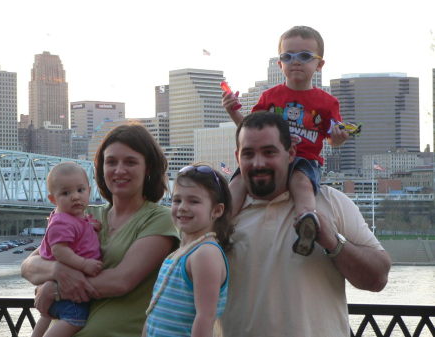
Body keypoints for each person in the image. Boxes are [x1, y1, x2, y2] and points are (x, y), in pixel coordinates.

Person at [220, 112, 391, 337]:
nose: (258, 163)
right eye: (248, 154)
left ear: (291, 153)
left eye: (269, 152)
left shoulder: (331, 202)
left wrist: (333, 242)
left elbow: (378, 278)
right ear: (237, 157)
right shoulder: (218, 216)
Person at [21, 123, 180, 337]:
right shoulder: (83, 215)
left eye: (130, 162)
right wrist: (57, 271)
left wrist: (56, 290)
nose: (119, 170)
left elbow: (120, 281)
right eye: (111, 162)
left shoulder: (160, 219)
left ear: (148, 168)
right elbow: (29, 265)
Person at [222, 26, 349, 256]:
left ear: (319, 64)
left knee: (301, 182)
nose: (296, 62)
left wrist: (338, 137)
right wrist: (233, 113)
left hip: (305, 160)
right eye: (287, 56)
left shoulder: (327, 103)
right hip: (271, 160)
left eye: (304, 56)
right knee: (238, 181)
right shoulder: (270, 97)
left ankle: (306, 221)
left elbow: (333, 139)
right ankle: (221, 225)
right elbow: (250, 131)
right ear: (280, 64)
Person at [143, 164, 234, 337]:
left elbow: (205, 317)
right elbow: (155, 311)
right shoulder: (180, 252)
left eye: (194, 201)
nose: (183, 207)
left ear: (217, 210)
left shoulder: (205, 253)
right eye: (177, 200)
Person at [31, 162, 102, 337]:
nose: (75, 197)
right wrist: (84, 264)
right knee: (75, 319)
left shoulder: (76, 219)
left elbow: (77, 236)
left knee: (46, 316)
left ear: (89, 190)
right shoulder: (62, 221)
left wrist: (90, 225)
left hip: (57, 287)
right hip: (66, 288)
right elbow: (60, 251)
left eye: (80, 190)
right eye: (66, 193)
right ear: (53, 200)